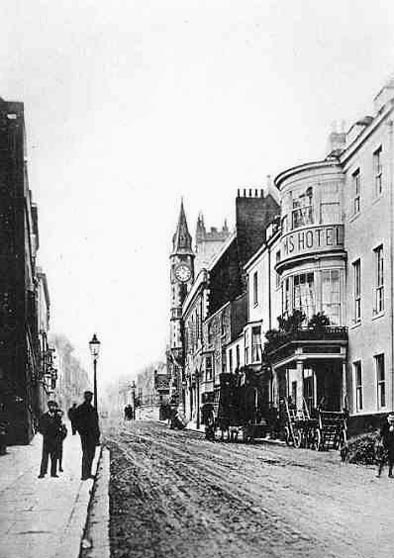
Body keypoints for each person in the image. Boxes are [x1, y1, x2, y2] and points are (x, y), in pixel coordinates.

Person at [74, 391, 100, 481]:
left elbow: (96, 424)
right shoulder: (82, 409)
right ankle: (85, 474)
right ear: (86, 398)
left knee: (90, 455)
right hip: (86, 435)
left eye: (91, 397)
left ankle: (88, 473)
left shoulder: (92, 409)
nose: (90, 398)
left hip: (91, 435)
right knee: (87, 454)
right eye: (89, 397)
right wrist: (80, 430)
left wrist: (97, 436)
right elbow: (75, 420)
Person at [38, 400, 61, 478]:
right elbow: (39, 427)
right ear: (49, 407)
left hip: (54, 439)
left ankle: (53, 473)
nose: (53, 408)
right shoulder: (44, 417)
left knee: (54, 457)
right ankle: (42, 472)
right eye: (51, 406)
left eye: (54, 406)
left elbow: (60, 427)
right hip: (47, 440)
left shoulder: (57, 417)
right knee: (45, 457)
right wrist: (44, 433)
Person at [376, 414, 394, 478]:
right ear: (388, 418)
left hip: (392, 445)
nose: (392, 420)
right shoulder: (385, 425)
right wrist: (378, 441)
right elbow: (381, 434)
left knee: (391, 460)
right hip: (385, 445)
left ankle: (390, 473)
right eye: (390, 418)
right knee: (382, 459)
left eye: (393, 419)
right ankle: (379, 472)